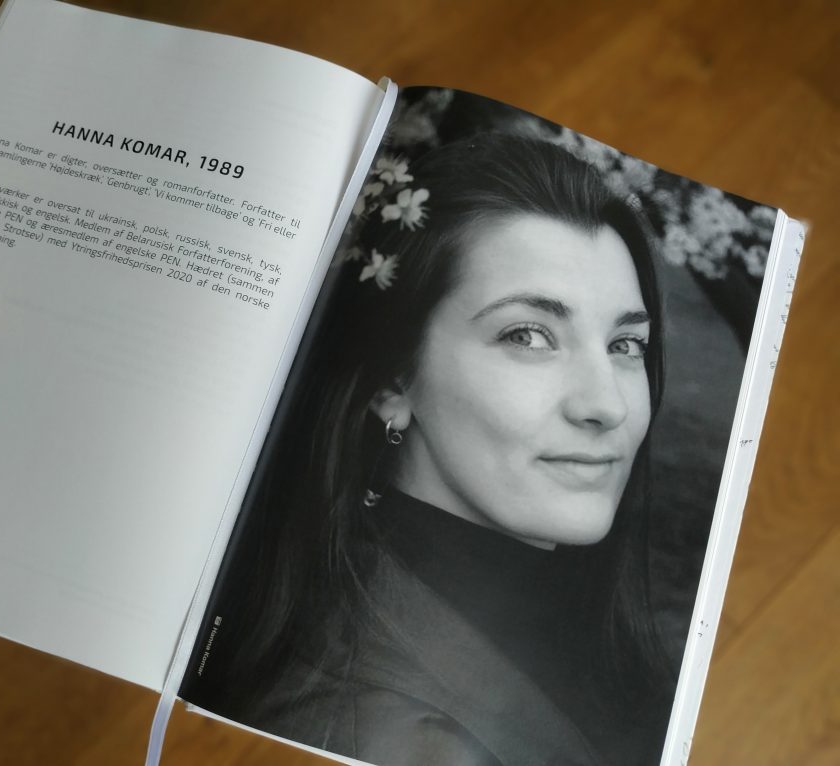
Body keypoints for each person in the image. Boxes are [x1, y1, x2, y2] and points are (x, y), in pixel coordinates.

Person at [183, 134, 675, 766]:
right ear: (392, 380)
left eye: (625, 346)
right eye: (527, 336)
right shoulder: (391, 731)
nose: (607, 405)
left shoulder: (579, 626)